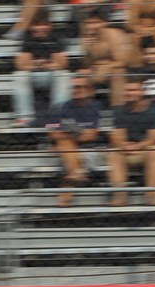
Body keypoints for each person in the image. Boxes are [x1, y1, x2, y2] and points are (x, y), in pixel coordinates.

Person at [47, 75, 103, 206]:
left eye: (79, 87)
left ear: (89, 89)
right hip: (67, 149)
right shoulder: (58, 107)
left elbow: (91, 136)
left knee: (64, 144)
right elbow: (51, 132)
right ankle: (76, 174)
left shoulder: (95, 107)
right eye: (73, 87)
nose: (75, 90)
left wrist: (67, 134)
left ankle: (67, 192)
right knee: (65, 144)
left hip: (89, 150)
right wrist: (77, 134)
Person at [107, 79, 155, 205]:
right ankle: (120, 196)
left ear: (142, 92)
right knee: (113, 153)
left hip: (146, 149)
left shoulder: (153, 111)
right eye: (127, 90)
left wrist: (138, 146)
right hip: (127, 150)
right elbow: (117, 135)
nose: (130, 93)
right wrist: (123, 145)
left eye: (133, 90)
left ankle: (152, 196)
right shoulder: (119, 111)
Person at [12, 13, 70, 127]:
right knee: (19, 76)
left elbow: (63, 64)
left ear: (49, 26)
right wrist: (41, 64)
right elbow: (20, 65)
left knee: (63, 75)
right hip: (33, 76)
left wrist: (39, 64)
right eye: (36, 25)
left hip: (51, 76)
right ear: (31, 27)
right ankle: (24, 118)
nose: (40, 28)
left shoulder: (56, 37)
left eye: (44, 25)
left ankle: (58, 116)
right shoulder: (26, 37)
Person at [79, 9, 130, 106]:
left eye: (95, 22)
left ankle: (117, 109)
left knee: (118, 73)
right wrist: (88, 50)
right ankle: (85, 110)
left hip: (113, 69)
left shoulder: (114, 35)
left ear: (104, 23)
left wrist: (106, 67)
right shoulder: (85, 37)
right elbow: (85, 64)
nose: (91, 26)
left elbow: (123, 61)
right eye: (88, 23)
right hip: (94, 69)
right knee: (82, 73)